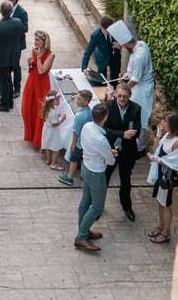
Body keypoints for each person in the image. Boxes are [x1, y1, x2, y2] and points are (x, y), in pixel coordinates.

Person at [75, 103, 117, 252]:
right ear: (105, 117)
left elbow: (87, 146)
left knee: (85, 201)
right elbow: (110, 161)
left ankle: (84, 231)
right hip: (96, 173)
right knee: (97, 207)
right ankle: (81, 236)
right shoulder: (101, 139)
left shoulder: (87, 127)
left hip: (86, 167)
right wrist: (111, 153)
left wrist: (106, 152)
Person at [105, 83, 144, 221]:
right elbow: (104, 129)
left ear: (130, 96)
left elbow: (137, 130)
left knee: (126, 180)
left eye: (125, 97)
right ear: (115, 94)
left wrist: (132, 133)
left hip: (128, 151)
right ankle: (98, 206)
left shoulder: (136, 108)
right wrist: (123, 134)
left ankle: (127, 207)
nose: (122, 99)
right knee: (105, 178)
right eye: (119, 96)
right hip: (110, 149)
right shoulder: (108, 106)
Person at [146, 113, 178, 244]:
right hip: (160, 174)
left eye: (165, 121)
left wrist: (157, 160)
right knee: (160, 202)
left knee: (166, 205)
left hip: (167, 178)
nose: (162, 123)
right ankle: (160, 226)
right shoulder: (167, 135)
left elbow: (175, 164)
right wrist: (158, 134)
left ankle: (166, 233)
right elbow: (155, 149)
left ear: (173, 124)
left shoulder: (176, 142)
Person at [122, 31, 156, 154]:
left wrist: (123, 89)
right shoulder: (141, 44)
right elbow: (133, 72)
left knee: (141, 117)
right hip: (140, 86)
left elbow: (135, 80)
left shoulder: (139, 56)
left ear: (128, 44)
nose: (123, 48)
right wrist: (127, 76)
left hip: (142, 89)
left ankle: (140, 147)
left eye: (124, 46)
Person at [21, 31, 55, 150]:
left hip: (42, 85)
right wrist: (30, 63)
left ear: (45, 42)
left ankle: (39, 140)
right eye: (35, 39)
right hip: (31, 82)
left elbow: (41, 71)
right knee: (28, 109)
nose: (35, 42)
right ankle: (31, 136)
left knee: (39, 110)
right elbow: (33, 68)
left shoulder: (51, 55)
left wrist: (39, 57)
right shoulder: (35, 50)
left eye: (38, 40)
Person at [0, 0, 24, 111]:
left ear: (0, 11)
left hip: (1, 59)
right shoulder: (18, 22)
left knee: (3, 82)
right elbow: (21, 36)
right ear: (11, 11)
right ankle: (10, 102)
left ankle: (4, 104)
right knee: (8, 80)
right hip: (14, 56)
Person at [60, 89, 94, 187]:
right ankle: (84, 176)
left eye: (79, 99)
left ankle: (69, 178)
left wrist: (73, 144)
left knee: (73, 159)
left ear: (86, 101)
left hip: (79, 143)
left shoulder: (80, 115)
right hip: (87, 141)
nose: (77, 101)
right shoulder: (89, 112)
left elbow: (76, 132)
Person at [40, 91, 76, 171]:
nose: (59, 101)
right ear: (51, 101)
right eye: (57, 100)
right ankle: (54, 164)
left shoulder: (47, 109)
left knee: (48, 145)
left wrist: (57, 117)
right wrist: (62, 119)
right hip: (53, 132)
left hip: (47, 130)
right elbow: (54, 124)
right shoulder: (53, 111)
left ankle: (48, 160)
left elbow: (50, 120)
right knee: (56, 148)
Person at [81, 16, 121, 85]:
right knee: (102, 80)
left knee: (115, 77)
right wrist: (84, 67)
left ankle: (114, 88)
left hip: (114, 56)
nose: (110, 32)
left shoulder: (115, 30)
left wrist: (120, 45)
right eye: (107, 30)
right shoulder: (95, 35)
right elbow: (88, 52)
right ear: (102, 28)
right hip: (102, 57)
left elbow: (123, 41)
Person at [5, 0, 27, 97]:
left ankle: (17, 88)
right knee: (6, 65)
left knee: (15, 66)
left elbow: (25, 28)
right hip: (6, 43)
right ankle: (4, 84)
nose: (5, 1)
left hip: (16, 44)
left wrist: (12, 28)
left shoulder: (22, 12)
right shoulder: (7, 9)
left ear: (13, 0)